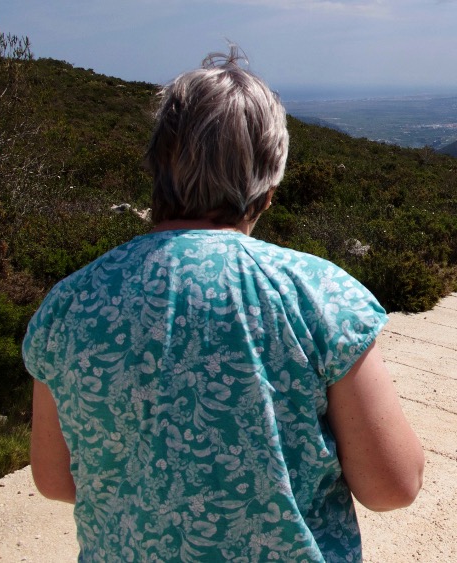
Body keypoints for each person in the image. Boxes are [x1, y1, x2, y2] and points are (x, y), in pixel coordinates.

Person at [23, 46, 424, 562]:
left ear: (156, 167)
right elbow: (393, 486)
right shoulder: (318, 294)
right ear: (270, 186)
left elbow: (56, 480)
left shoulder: (71, 304)